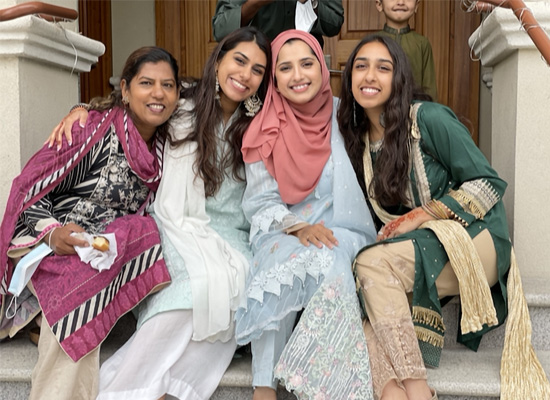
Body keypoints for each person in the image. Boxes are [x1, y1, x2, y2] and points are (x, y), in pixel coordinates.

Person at [51, 26, 272, 400]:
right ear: (218, 61)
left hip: (235, 235)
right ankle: (125, 391)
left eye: (257, 69)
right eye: (239, 60)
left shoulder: (260, 124)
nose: (245, 74)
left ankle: (170, 394)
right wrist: (81, 109)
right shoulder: (180, 104)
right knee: (190, 290)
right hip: (173, 224)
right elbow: (126, 107)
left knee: (237, 289)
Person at [337, 34, 520, 400]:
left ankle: (418, 391)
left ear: (399, 77)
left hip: (475, 240)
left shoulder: (427, 119)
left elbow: (488, 182)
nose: (370, 75)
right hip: (425, 251)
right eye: (361, 66)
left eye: (382, 67)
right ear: (349, 78)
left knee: (369, 265)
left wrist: (421, 215)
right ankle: (392, 394)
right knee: (361, 305)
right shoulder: (357, 141)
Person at [0, 46, 180, 400]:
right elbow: (28, 192)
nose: (158, 93)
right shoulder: (90, 130)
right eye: (146, 83)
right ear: (125, 90)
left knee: (143, 235)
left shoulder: (169, 145)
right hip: (50, 244)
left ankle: (43, 316)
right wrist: (53, 236)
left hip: (109, 252)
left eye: (168, 85)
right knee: (79, 286)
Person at [236, 30, 376, 400]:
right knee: (276, 265)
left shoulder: (347, 114)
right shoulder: (263, 127)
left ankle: (324, 387)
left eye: (306, 63)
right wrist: (296, 227)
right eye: (285, 67)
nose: (297, 75)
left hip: (341, 226)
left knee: (328, 258)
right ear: (275, 80)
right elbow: (261, 202)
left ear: (322, 66)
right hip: (284, 228)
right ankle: (264, 387)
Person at [212, 0, 344, 48]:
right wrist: (255, 3)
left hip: (304, 75)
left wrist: (313, 2)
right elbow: (220, 30)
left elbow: (335, 24)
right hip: (258, 74)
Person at [375, 0, 438, 101]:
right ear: (379, 4)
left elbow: (429, 90)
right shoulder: (371, 42)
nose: (400, 2)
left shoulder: (422, 43)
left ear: (417, 5)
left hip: (412, 111)